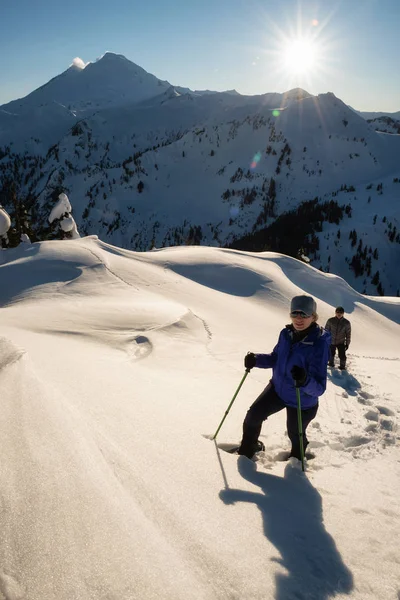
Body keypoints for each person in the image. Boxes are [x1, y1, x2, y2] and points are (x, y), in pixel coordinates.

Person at [237, 295, 331, 460]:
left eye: (304, 314)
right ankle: (247, 450)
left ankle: (298, 458)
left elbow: (319, 388)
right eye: (294, 313)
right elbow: (276, 358)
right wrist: (256, 360)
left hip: (302, 400)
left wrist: (304, 380)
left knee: (295, 434)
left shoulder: (319, 344)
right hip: (278, 390)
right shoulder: (286, 334)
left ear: (314, 317)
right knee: (253, 416)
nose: (299, 318)